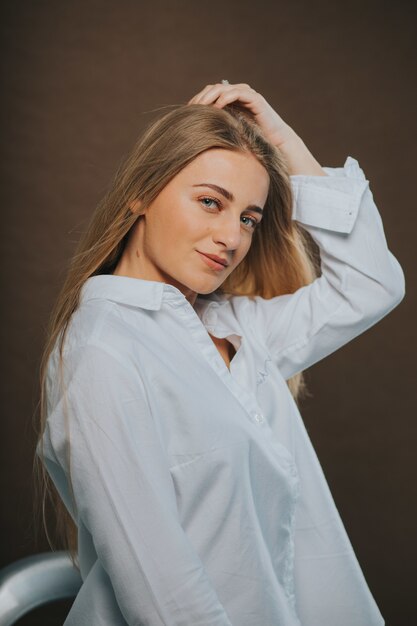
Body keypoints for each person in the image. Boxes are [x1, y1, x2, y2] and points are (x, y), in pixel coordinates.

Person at [35, 81, 405, 625]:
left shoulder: (237, 328)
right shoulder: (102, 352)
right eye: (210, 202)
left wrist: (279, 141)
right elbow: (164, 597)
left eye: (248, 218)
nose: (230, 236)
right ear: (141, 193)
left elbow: (373, 286)